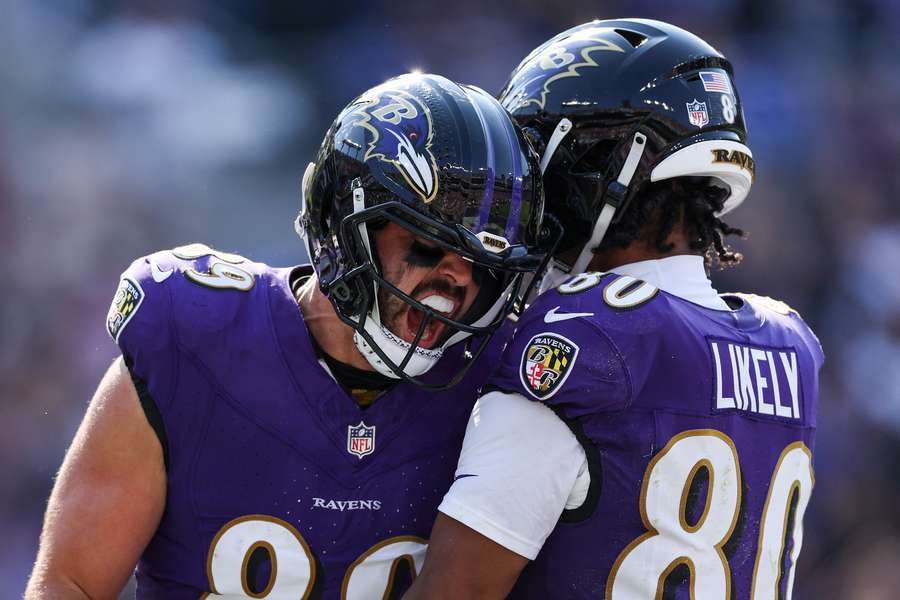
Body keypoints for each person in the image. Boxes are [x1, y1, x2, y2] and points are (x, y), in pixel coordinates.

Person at [25, 73, 550, 599]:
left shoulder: (504, 378)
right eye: (428, 245)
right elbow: (71, 584)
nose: (458, 281)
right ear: (341, 225)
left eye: (484, 265)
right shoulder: (196, 336)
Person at [405, 19, 823, 599]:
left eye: (540, 162)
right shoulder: (789, 342)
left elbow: (456, 592)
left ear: (602, 165)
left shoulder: (590, 335)